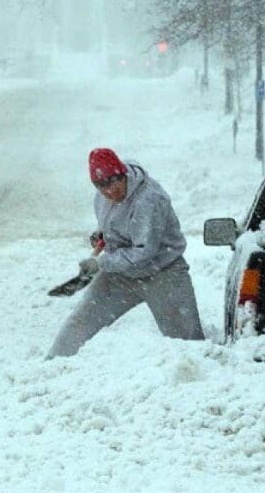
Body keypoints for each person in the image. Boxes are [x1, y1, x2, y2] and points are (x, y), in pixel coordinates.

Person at [48, 147, 205, 358]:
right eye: (102, 186)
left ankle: (200, 382)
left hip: (164, 275)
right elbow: (113, 225)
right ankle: (51, 367)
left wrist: (100, 264)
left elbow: (142, 253)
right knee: (81, 321)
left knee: (188, 344)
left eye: (114, 182)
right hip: (120, 275)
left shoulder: (149, 200)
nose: (110, 190)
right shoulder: (102, 197)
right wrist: (102, 235)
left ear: (122, 174)